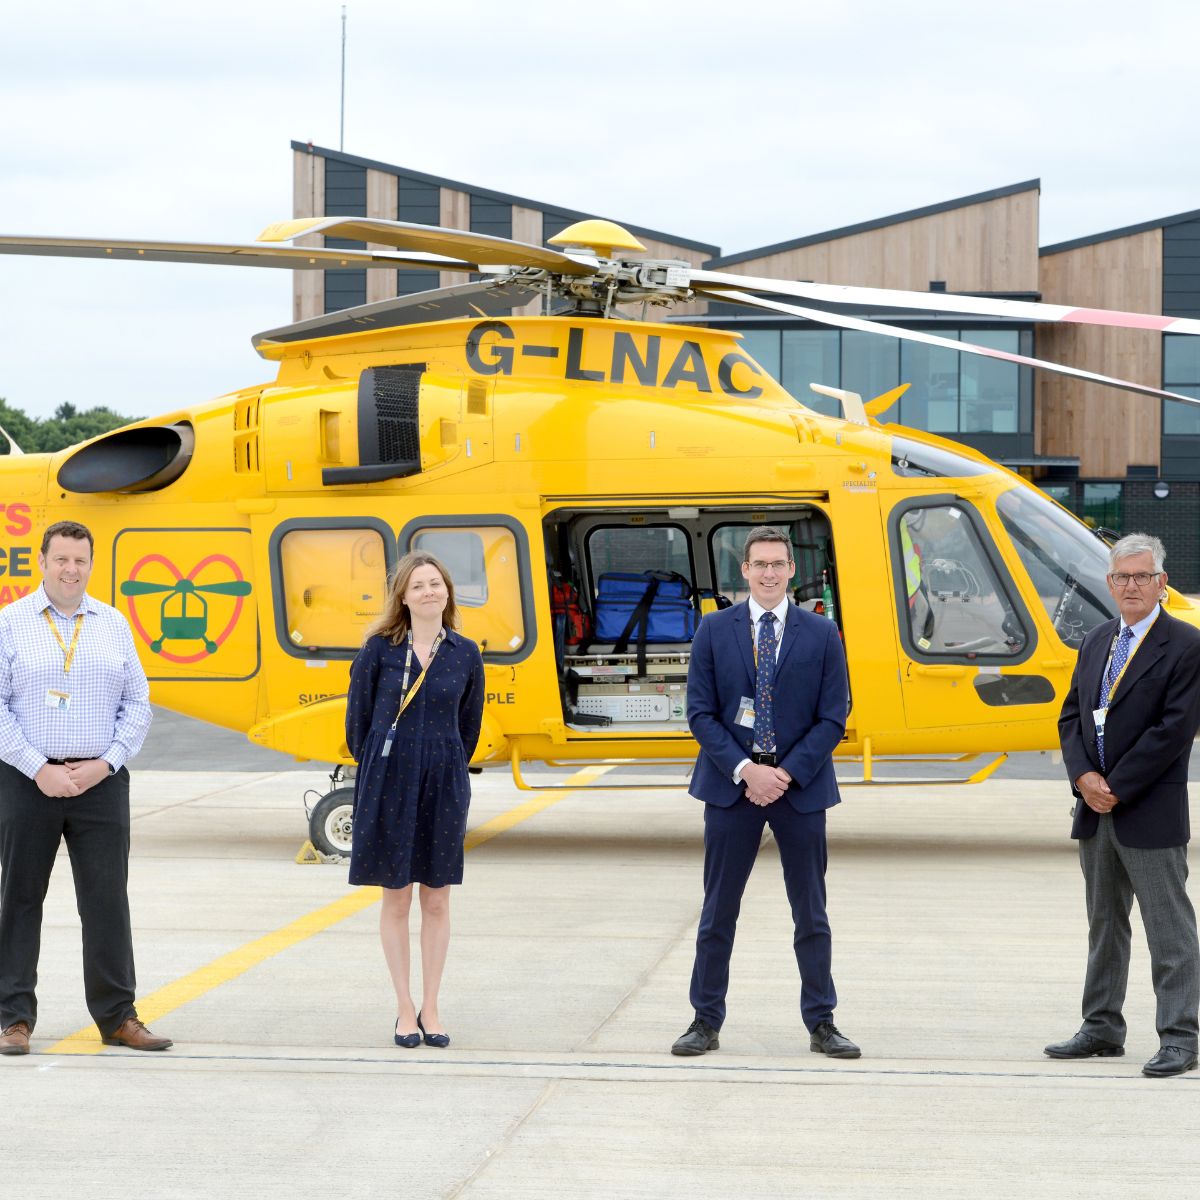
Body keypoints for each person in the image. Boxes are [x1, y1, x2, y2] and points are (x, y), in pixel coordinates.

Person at [672, 526, 859, 1058]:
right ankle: (704, 1021)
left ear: (792, 570)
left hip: (799, 790)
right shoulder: (714, 630)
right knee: (718, 912)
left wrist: (786, 772)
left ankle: (822, 1023)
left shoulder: (821, 634)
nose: (770, 573)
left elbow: (834, 716)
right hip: (732, 789)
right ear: (745, 570)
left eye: (779, 563)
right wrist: (744, 770)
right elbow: (700, 715)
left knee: (811, 914)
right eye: (760, 564)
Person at [0, 520, 164, 1056]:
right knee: (19, 899)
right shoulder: (11, 623)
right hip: (28, 780)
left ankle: (118, 1016)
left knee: (106, 901)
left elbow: (138, 703)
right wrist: (37, 767)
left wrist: (107, 763)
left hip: (101, 783)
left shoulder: (113, 623)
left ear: (91, 565)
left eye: (81, 561)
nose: (71, 570)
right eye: (62, 559)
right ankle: (13, 1019)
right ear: (42, 561)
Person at [1049, 532, 1200, 1077]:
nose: (1132, 585)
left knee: (1169, 930)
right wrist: (1085, 777)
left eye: (1142, 576)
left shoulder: (1185, 644)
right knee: (1104, 924)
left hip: (1147, 809)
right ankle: (1101, 1027)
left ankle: (1180, 1038)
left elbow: (1175, 729)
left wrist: (1116, 785)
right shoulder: (1095, 641)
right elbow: (1071, 717)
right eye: (1122, 577)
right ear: (1109, 584)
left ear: (1161, 584)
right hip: (1094, 808)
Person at [346, 551, 485, 1048]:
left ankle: (432, 1005)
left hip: (444, 779)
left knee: (439, 898)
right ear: (402, 597)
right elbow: (357, 725)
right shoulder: (378, 650)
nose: (430, 591)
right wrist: (390, 765)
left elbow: (469, 725)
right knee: (396, 896)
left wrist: (443, 762)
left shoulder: (466, 652)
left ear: (447, 591)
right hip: (389, 778)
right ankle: (404, 1007)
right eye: (419, 585)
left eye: (436, 583)